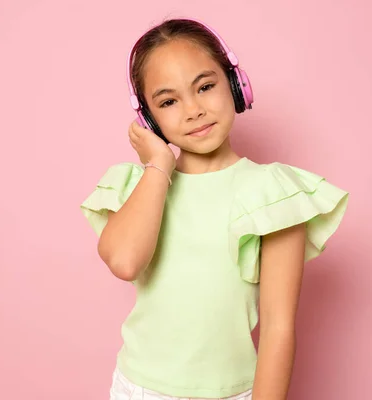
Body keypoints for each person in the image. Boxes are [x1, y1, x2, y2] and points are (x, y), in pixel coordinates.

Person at [81, 17, 349, 400]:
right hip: (136, 388)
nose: (193, 110)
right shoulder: (138, 186)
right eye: (169, 101)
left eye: (205, 87)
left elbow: (278, 328)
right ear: (147, 118)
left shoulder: (273, 194)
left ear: (236, 86)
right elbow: (124, 262)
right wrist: (158, 164)